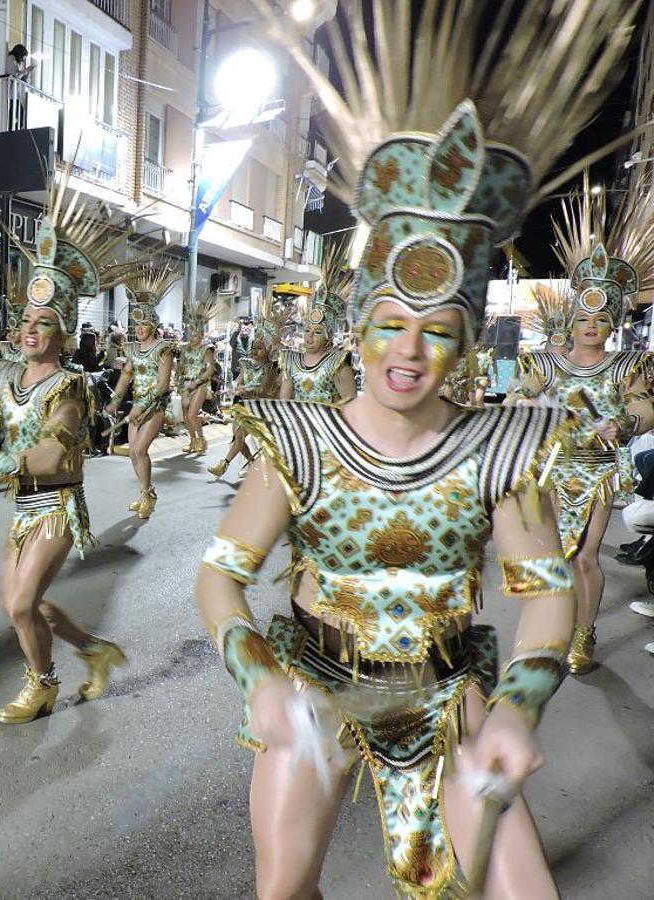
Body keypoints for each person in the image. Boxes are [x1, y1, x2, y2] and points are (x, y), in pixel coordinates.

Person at [197, 0, 634, 895]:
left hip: (448, 699)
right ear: (357, 326)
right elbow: (219, 575)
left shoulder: (502, 449)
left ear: (467, 342)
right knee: (283, 888)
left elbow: (548, 600)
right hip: (318, 687)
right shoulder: (300, 439)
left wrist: (519, 705)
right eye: (390, 323)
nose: (408, 350)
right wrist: (260, 679)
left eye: (437, 330)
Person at [0, 181, 126, 723]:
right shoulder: (9, 376)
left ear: (62, 333)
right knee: (22, 606)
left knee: (21, 605)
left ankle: (42, 685)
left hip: (56, 508)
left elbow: (48, 457)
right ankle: (95, 649)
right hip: (22, 510)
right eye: (25, 320)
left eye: (43, 322)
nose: (29, 329)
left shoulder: (71, 388)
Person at [509, 182, 654, 674]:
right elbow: (520, 400)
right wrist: (523, 408)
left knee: (586, 557)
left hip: (595, 472)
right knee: (550, 556)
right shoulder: (544, 363)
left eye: (601, 318)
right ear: (571, 320)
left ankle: (584, 633)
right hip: (550, 469)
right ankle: (549, 628)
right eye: (584, 316)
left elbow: (645, 407)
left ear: (612, 323)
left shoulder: (626, 365)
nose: (591, 325)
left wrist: (629, 421)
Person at [105, 264, 180, 518]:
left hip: (154, 407)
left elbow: (162, 385)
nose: (138, 329)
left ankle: (149, 495)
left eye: (143, 324)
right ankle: (145, 493)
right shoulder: (134, 349)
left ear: (153, 324)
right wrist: (115, 400)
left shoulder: (164, 349)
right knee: (132, 455)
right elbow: (126, 376)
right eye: (135, 324)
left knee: (139, 450)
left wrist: (140, 407)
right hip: (137, 405)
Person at [208, 303, 286, 479]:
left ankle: (224, 464)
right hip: (243, 405)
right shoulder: (246, 363)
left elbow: (263, 389)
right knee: (237, 439)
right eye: (254, 347)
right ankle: (251, 462)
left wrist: (243, 389)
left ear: (267, 351)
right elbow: (238, 381)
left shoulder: (271, 368)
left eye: (260, 348)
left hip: (260, 409)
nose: (255, 351)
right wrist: (229, 390)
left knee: (241, 435)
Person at [279, 244, 357, 404]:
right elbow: (284, 403)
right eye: (307, 330)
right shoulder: (290, 361)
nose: (309, 336)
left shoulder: (337, 364)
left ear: (329, 338)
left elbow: (351, 404)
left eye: (318, 332)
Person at [176, 295, 218, 455]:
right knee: (186, 416)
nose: (191, 338)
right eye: (190, 334)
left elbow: (210, 369)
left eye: (195, 335)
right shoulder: (185, 348)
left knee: (193, 414)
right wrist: (177, 371)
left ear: (201, 335)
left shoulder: (206, 349)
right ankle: (192, 441)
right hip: (184, 384)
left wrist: (198, 381)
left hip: (199, 385)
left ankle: (201, 441)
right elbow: (181, 366)